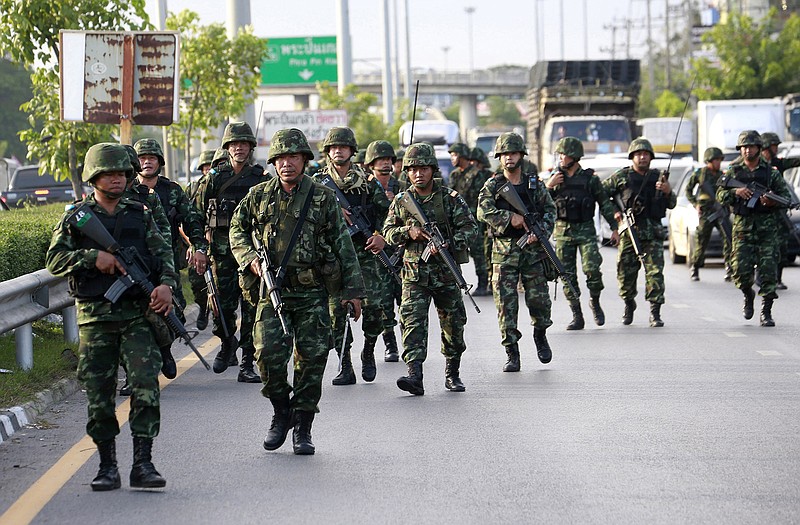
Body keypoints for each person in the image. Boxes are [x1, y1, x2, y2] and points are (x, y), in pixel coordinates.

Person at [46, 142, 177, 491]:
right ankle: (106, 466)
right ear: (94, 177)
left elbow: (163, 253)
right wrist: (93, 259)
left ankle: (143, 464)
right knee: (99, 393)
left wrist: (166, 286)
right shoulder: (78, 217)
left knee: (146, 387)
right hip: (96, 318)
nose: (117, 179)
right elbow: (55, 260)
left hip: (137, 315)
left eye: (122, 173)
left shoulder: (140, 212)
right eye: (109, 173)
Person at [229, 128, 365, 455]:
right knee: (267, 355)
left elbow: (342, 244)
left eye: (293, 157)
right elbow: (237, 229)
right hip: (271, 291)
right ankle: (281, 411)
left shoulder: (321, 197)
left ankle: (302, 427)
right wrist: (249, 259)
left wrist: (353, 290)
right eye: (281, 158)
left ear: (304, 160)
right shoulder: (258, 196)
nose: (287, 163)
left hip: (313, 292)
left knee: (312, 360)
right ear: (273, 162)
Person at [383, 142, 476, 395]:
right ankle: (415, 375)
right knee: (412, 324)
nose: (418, 174)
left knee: (454, 325)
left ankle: (452, 373)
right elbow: (388, 233)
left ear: (432, 170)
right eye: (413, 169)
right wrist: (408, 232)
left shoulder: (450, 198)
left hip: (446, 273)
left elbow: (471, 228)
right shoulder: (402, 201)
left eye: (423, 168)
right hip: (414, 275)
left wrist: (448, 242)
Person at [313, 127, 391, 385]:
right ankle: (344, 363)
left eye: (343, 147)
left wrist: (380, 236)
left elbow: (388, 215)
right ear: (327, 152)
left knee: (375, 308)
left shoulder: (368, 183)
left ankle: (368, 351)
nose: (338, 150)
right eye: (333, 147)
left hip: (366, 253)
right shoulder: (316, 183)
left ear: (351, 151)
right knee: (336, 312)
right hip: (333, 256)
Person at [195, 121, 269, 382]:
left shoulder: (261, 179)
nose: (239, 148)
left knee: (252, 309)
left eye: (244, 144)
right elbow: (196, 215)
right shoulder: (214, 178)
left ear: (250, 147)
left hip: (251, 255)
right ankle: (227, 342)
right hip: (221, 255)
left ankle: (247, 362)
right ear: (227, 147)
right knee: (222, 308)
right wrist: (200, 249)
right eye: (234, 144)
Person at [477, 132, 556, 372]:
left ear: (521, 155)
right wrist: (509, 217)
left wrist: (539, 230)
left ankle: (540, 334)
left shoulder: (534, 184)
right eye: (504, 155)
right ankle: (512, 351)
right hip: (503, 254)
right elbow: (482, 212)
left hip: (532, 252)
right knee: (506, 304)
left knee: (539, 302)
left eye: (513, 153)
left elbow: (550, 211)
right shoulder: (493, 185)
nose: (509, 158)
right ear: (499, 158)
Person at [716, 130, 791, 327]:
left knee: (768, 270)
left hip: (767, 229)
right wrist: (736, 192)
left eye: (751, 147)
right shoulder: (733, 171)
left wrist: (772, 202)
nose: (748, 151)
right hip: (742, 228)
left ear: (759, 148)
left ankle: (766, 311)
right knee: (740, 271)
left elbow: (786, 198)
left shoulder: (770, 172)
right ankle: (748, 294)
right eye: (744, 147)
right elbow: (720, 195)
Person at [545, 136, 620, 330]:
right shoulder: (555, 178)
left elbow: (604, 203)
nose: (560, 158)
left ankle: (594, 301)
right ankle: (577, 314)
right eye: (559, 154)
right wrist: (549, 186)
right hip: (563, 232)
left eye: (564, 154)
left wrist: (614, 228)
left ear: (574, 156)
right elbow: (539, 203)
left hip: (585, 230)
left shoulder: (590, 179)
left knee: (592, 269)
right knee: (566, 275)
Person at [602, 137, 676, 327]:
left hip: (653, 233)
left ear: (651, 157)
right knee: (626, 274)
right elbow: (602, 195)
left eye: (646, 154)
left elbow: (672, 204)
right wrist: (615, 212)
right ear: (632, 157)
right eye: (638, 154)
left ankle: (655, 312)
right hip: (629, 233)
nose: (642, 157)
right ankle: (628, 303)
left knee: (655, 274)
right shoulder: (622, 177)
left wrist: (667, 191)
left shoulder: (659, 177)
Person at [364, 139, 402, 362]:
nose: (385, 163)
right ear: (371, 163)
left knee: (403, 299)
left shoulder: (399, 186)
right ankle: (390, 344)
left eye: (388, 159)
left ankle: (408, 342)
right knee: (383, 302)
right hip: (376, 252)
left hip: (398, 249)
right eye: (380, 159)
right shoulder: (366, 188)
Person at [448, 142, 491, 296]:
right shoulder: (454, 175)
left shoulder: (477, 174)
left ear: (463, 156)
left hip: (474, 219)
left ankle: (483, 284)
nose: (452, 158)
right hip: (456, 220)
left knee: (478, 253)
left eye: (455, 154)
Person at [684, 147, 732, 282]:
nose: (718, 162)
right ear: (709, 160)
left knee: (728, 239)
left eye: (719, 160)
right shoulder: (700, 174)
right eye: (716, 160)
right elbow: (688, 190)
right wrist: (695, 203)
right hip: (706, 211)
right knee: (701, 241)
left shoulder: (722, 175)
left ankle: (729, 268)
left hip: (721, 211)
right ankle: (695, 267)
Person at [760, 131, 800, 290]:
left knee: (782, 246)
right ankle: (760, 275)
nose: (777, 149)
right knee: (761, 247)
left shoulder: (778, 163)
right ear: (766, 147)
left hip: (778, 210)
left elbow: (795, 162)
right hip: (761, 212)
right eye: (774, 146)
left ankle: (777, 278)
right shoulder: (756, 164)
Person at [184, 149, 216, 332]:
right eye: (205, 167)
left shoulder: (222, 187)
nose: (208, 171)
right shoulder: (193, 188)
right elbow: (186, 219)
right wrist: (192, 244)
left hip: (219, 243)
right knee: (197, 282)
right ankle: (203, 307)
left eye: (212, 167)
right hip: (198, 242)